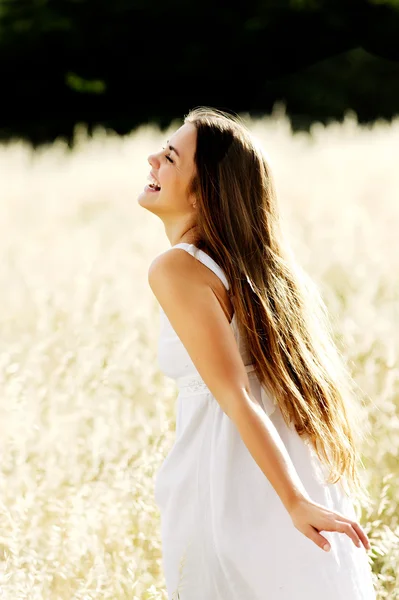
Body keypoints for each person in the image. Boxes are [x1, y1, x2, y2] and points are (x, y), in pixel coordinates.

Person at [138, 107, 376, 599]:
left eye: (170, 157)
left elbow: (236, 396)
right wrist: (299, 497)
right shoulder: (265, 272)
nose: (152, 161)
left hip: (230, 486)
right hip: (290, 473)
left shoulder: (177, 269)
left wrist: (293, 502)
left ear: (203, 190)